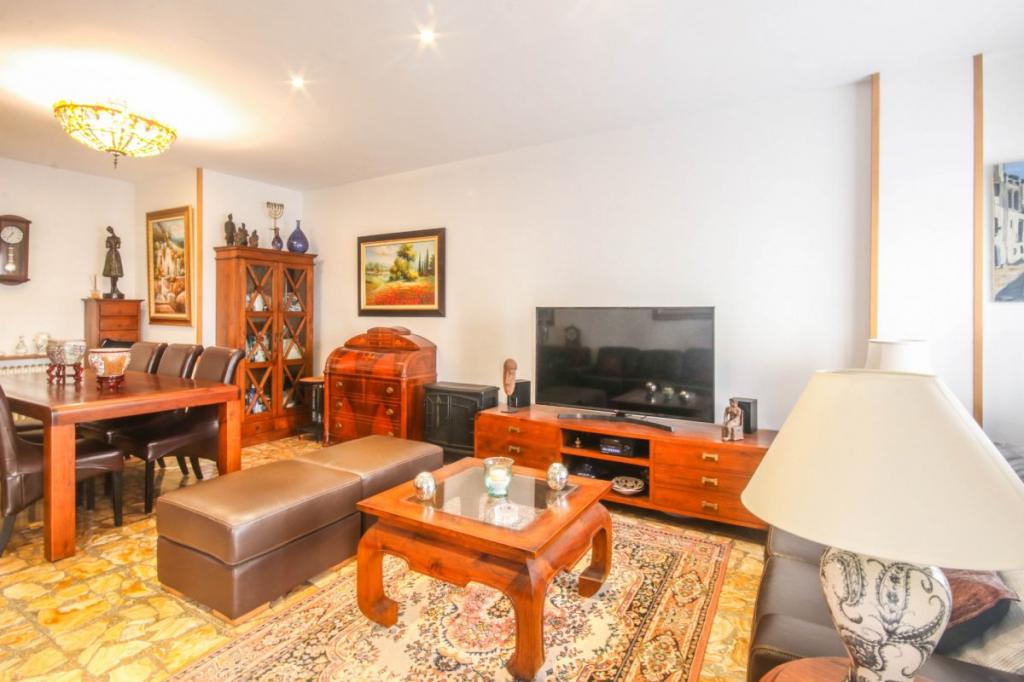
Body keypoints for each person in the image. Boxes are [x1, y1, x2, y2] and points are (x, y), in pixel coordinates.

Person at [102, 226, 124, 299]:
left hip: (111, 254)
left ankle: (113, 289)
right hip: (116, 254)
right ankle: (114, 289)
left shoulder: (109, 238)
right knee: (115, 273)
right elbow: (119, 247)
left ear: (109, 231)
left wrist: (110, 244)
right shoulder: (118, 238)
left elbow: (107, 246)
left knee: (112, 273)